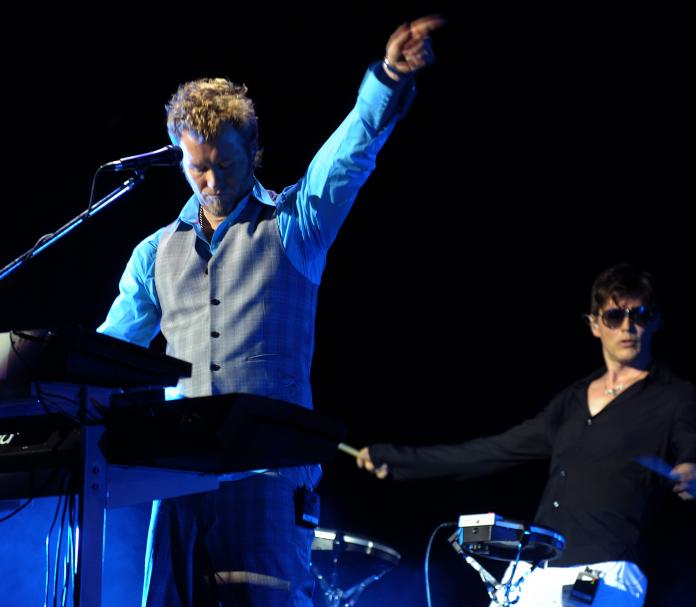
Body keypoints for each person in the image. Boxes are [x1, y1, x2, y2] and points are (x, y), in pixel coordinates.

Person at [98, 15, 445, 607]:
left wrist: (387, 78)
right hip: (176, 483)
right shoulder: (154, 253)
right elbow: (109, 356)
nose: (210, 181)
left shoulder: (294, 225)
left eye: (225, 165)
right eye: (197, 166)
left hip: (267, 478)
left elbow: (349, 155)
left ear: (255, 151)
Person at [357, 263, 696, 607]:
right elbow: (491, 451)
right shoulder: (572, 400)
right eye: (615, 317)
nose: (628, 327)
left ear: (656, 321)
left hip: (607, 570)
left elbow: (692, 447)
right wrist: (400, 459)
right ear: (594, 325)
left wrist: (691, 470)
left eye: (641, 315)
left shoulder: (675, 397)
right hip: (535, 570)